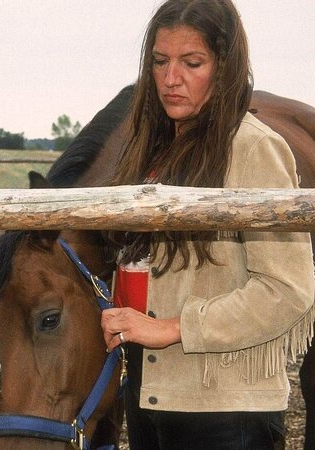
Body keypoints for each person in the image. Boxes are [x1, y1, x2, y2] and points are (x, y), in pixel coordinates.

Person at [99, 0, 315, 449]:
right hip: (152, 393)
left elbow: (289, 289)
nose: (170, 79)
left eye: (192, 63)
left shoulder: (253, 148)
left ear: (225, 66)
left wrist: (174, 327)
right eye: (160, 61)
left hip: (226, 409)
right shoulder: (152, 150)